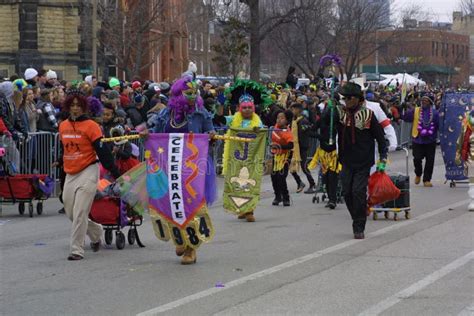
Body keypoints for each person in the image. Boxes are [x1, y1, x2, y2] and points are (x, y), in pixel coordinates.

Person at [149, 75, 216, 265]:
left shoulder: (201, 113)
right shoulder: (165, 115)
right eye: (189, 93)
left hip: (194, 168)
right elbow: (155, 135)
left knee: (191, 206)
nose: (193, 96)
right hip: (169, 166)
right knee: (172, 203)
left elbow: (211, 134)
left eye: (196, 92)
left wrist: (211, 137)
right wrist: (146, 135)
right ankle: (179, 238)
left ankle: (190, 248)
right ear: (178, 95)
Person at [57, 90, 120, 260]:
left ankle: (76, 250)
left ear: (84, 107)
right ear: (68, 106)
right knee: (70, 212)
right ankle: (96, 231)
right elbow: (64, 148)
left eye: (78, 105)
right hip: (71, 173)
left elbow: (103, 151)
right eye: (72, 105)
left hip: (89, 170)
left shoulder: (91, 126)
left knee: (80, 212)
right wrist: (58, 161)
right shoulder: (63, 125)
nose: (75, 108)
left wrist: (115, 172)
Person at [336, 83, 387, 239]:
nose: (346, 101)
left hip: (363, 161)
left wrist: (383, 157)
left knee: (358, 191)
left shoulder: (369, 115)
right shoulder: (339, 114)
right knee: (346, 192)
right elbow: (324, 125)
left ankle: (359, 225)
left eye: (348, 98)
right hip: (346, 160)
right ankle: (357, 214)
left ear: (358, 99)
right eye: (343, 98)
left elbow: (380, 137)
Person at [402, 94, 439, 187]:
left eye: (426, 100)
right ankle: (418, 173)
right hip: (417, 139)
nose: (423, 102)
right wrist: (403, 108)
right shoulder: (416, 110)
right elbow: (406, 118)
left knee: (430, 161)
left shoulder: (435, 113)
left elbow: (439, 125)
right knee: (417, 159)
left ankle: (426, 179)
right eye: (422, 100)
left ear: (430, 102)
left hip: (430, 140)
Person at [289, 102, 317, 194]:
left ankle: (312, 184)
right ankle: (299, 182)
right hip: (295, 148)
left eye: (293, 109)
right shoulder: (294, 121)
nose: (292, 111)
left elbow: (307, 132)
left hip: (302, 147)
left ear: (298, 110)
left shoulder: (303, 121)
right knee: (291, 167)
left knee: (304, 167)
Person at [270, 110, 294, 206]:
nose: (279, 120)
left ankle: (286, 197)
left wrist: (278, 146)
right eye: (278, 118)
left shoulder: (287, 132)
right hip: (276, 155)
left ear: (287, 120)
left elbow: (290, 145)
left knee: (281, 177)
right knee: (274, 176)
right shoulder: (275, 127)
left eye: (282, 118)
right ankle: (277, 196)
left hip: (285, 156)